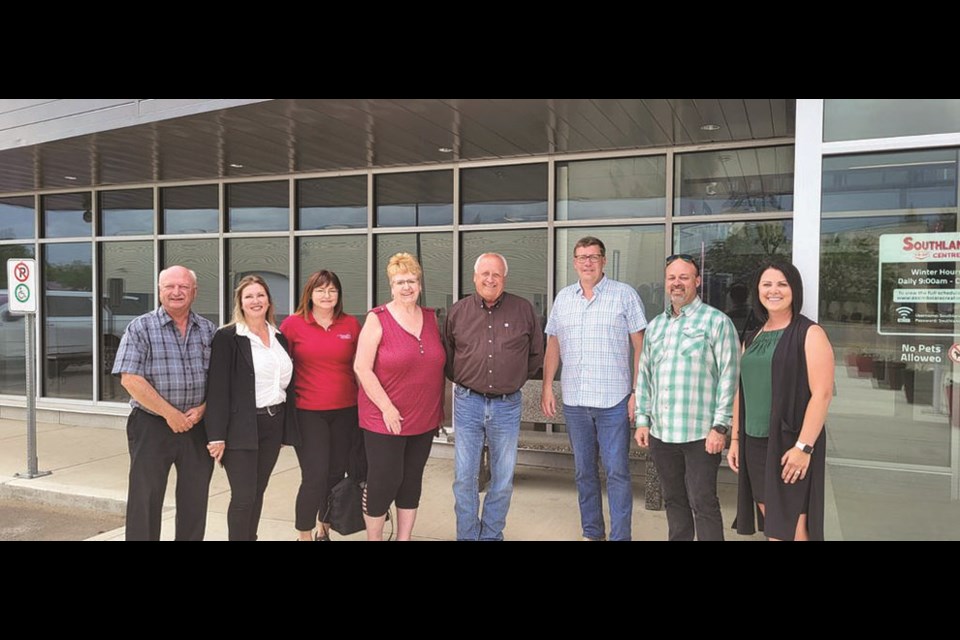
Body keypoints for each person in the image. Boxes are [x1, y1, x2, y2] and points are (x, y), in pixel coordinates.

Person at [541, 236, 647, 541]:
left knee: (617, 473)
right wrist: (548, 386)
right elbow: (553, 344)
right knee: (584, 473)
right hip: (575, 402)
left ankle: (620, 536)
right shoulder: (563, 298)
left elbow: (641, 346)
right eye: (582, 257)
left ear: (603, 261)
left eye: (594, 256)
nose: (588, 262)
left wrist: (637, 392)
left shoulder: (623, 295)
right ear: (574, 262)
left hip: (614, 402)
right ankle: (592, 532)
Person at [634, 254, 740, 541]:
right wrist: (642, 420)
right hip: (662, 433)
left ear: (697, 281)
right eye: (671, 278)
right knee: (674, 500)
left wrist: (720, 427)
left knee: (703, 503)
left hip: (701, 435)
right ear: (665, 283)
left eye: (683, 277)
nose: (677, 283)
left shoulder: (717, 322)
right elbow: (645, 376)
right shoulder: (656, 325)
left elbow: (729, 378)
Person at [727, 260, 834, 541]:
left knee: (794, 531)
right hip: (756, 446)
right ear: (758, 291)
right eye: (767, 284)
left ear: (794, 290)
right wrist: (736, 439)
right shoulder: (752, 337)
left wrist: (804, 447)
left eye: (782, 284)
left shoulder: (810, 333)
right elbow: (743, 390)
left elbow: (822, 395)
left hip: (791, 446)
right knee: (775, 529)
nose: (774, 291)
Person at [112, 265, 217, 541]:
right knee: (145, 500)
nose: (176, 292)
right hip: (151, 424)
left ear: (194, 292)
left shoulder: (208, 331)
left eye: (183, 286)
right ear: (159, 291)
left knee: (195, 500)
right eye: (170, 286)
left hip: (197, 426)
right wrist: (170, 414)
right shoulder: (140, 328)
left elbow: (220, 381)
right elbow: (130, 379)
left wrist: (205, 408)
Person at [444, 252, 544, 541]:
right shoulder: (458, 312)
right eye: (485, 273)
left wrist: (510, 379)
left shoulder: (523, 310)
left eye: (496, 274)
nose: (490, 279)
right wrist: (467, 381)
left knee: (502, 480)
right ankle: (467, 536)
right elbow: (449, 357)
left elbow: (535, 354)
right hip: (467, 402)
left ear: (504, 278)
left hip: (506, 406)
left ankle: (490, 536)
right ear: (474, 277)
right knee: (465, 478)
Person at [354, 252, 445, 541]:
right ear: (391, 286)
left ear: (420, 284)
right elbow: (361, 367)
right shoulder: (377, 318)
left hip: (424, 419)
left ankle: (404, 538)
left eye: (412, 281)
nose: (407, 287)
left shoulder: (431, 319)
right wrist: (387, 408)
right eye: (400, 281)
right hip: (385, 419)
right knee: (383, 482)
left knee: (411, 482)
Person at [205, 275, 300, 541]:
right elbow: (218, 389)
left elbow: (284, 386)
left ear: (269, 300)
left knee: (258, 491)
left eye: (260, 295)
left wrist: (284, 430)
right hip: (240, 428)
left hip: (273, 424)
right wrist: (216, 435)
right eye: (249, 296)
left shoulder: (279, 337)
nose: (255, 301)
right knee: (244, 496)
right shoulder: (228, 337)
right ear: (241, 303)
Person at [280, 270, 362, 541]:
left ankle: (323, 529)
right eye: (321, 290)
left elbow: (362, 367)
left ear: (339, 295)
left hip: (346, 410)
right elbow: (279, 369)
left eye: (332, 290)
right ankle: (304, 535)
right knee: (314, 476)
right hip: (308, 412)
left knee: (336, 473)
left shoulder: (350, 325)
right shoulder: (293, 325)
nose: (327, 296)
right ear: (310, 294)